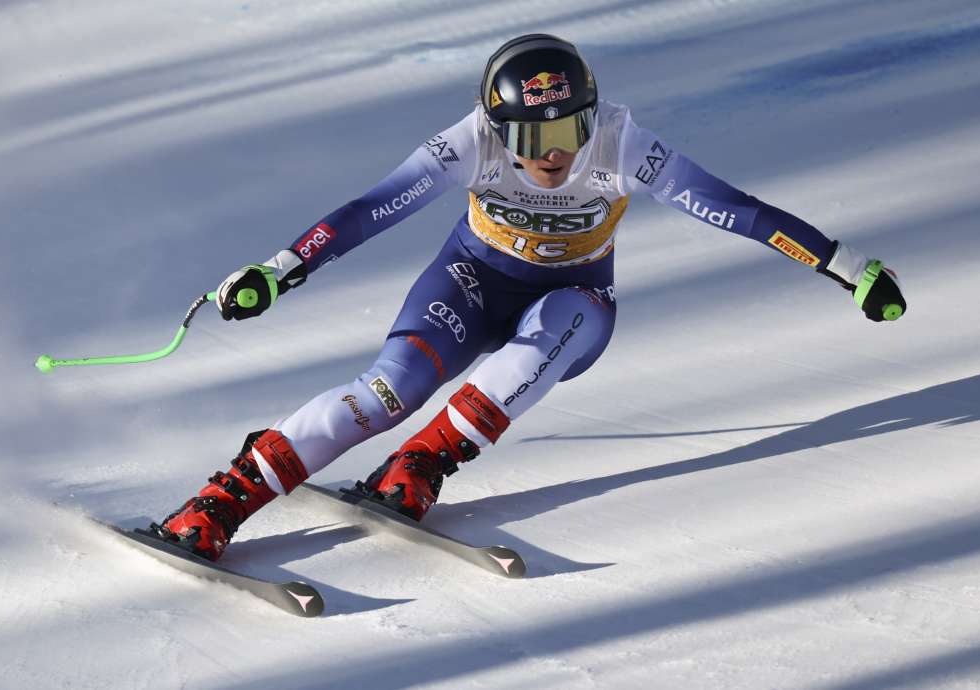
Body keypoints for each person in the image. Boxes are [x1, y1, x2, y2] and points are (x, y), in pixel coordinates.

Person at [149, 34, 906, 561]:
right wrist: (280, 270)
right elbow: (373, 208)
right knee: (388, 391)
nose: (557, 154)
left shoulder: (623, 144)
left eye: (572, 129)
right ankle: (229, 495)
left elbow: (736, 209)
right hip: (470, 282)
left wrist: (849, 267)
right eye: (533, 138)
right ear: (495, 127)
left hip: (570, 298)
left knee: (568, 320)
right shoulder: (468, 141)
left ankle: (423, 461)